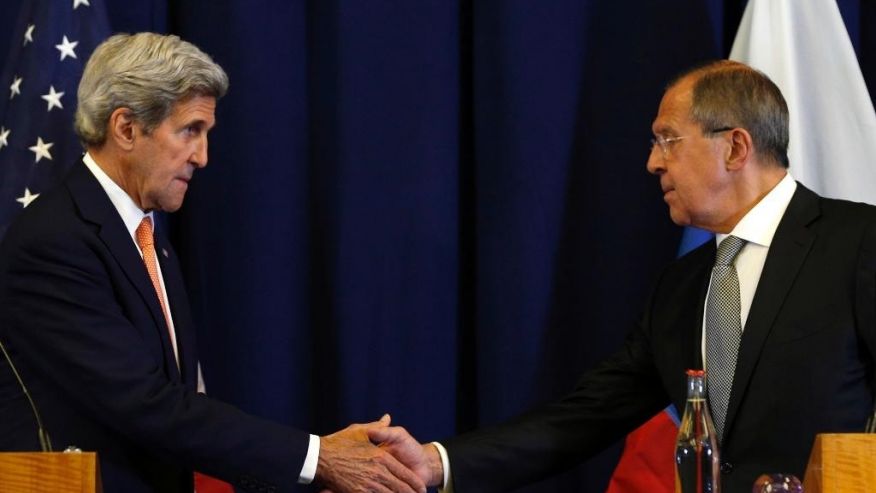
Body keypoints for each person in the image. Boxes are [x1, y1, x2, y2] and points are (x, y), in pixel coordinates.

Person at [366, 60, 876, 493]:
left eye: (668, 140)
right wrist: (436, 462)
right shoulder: (680, 288)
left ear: (736, 148)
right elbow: (586, 417)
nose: (654, 162)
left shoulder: (858, 242)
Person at [0, 32, 426, 493]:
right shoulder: (55, 241)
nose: (202, 157)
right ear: (125, 128)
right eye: (190, 130)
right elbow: (148, 406)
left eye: (206, 134)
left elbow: (180, 402)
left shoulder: (147, 237)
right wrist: (319, 458)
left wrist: (320, 456)